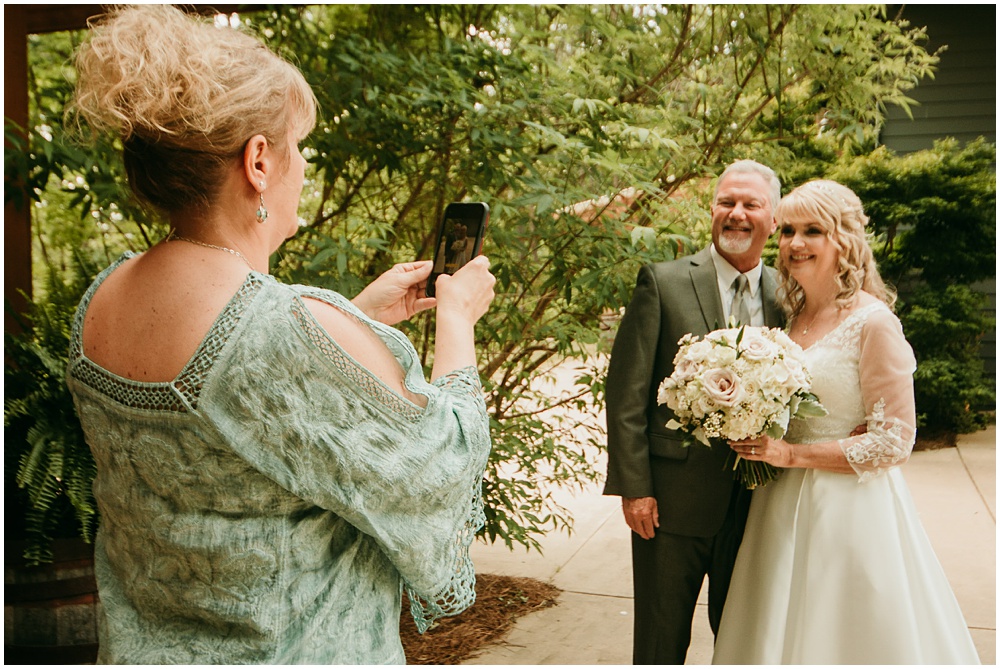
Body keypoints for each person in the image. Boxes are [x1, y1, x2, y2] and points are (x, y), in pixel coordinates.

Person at [64, 6, 496, 664]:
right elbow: (441, 466)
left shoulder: (104, 296)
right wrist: (456, 321)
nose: (303, 169)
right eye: (300, 148)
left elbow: (246, 415)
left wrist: (357, 321)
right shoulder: (286, 330)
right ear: (259, 161)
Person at [712, 180, 981, 664]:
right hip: (777, 501)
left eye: (813, 230)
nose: (795, 243)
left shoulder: (873, 322)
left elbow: (895, 440)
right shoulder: (790, 314)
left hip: (848, 508)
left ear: (845, 240)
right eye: (789, 230)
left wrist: (792, 454)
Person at [604, 160, 784, 664]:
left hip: (759, 507)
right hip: (671, 506)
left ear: (772, 218)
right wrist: (635, 488)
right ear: (712, 210)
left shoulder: (788, 294)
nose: (737, 214)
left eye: (751, 204)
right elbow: (626, 395)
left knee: (742, 645)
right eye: (727, 201)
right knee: (661, 645)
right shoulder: (663, 282)